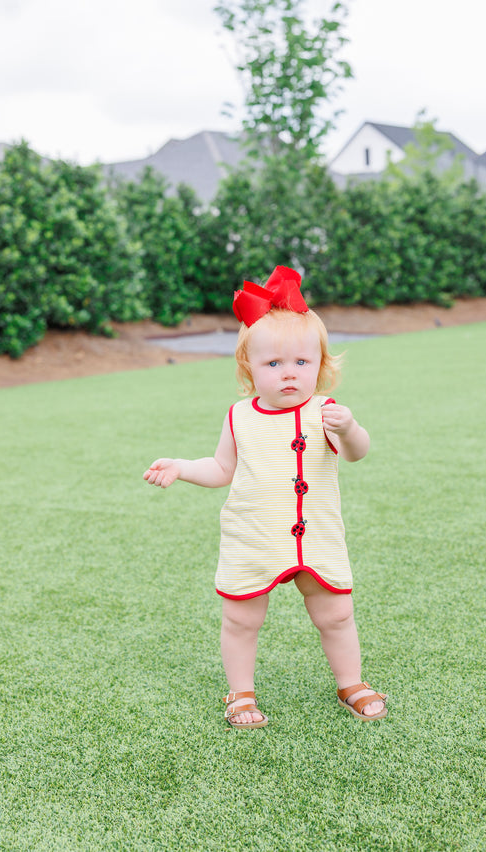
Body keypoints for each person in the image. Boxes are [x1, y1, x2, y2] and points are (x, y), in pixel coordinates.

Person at [143, 266, 387, 729]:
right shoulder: (240, 416)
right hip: (253, 536)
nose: (289, 373)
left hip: (316, 537)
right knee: (241, 620)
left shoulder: (327, 412)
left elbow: (357, 453)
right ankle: (241, 692)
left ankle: (350, 682)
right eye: (273, 364)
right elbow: (222, 469)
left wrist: (351, 429)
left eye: (302, 362)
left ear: (321, 365)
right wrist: (182, 467)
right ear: (249, 368)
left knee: (336, 615)